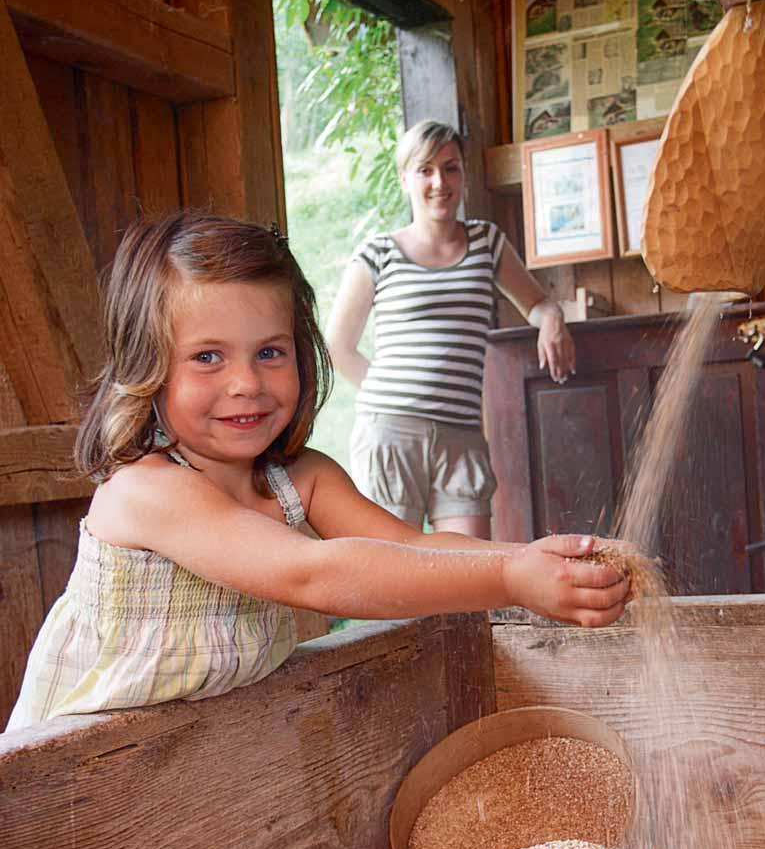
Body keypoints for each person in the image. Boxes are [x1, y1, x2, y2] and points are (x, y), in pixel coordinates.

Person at [7, 212, 628, 731]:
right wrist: (511, 579)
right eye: (207, 358)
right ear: (150, 367)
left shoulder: (298, 479)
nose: (246, 383)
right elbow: (312, 574)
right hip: (69, 788)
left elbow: (414, 547)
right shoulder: (145, 490)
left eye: (269, 352)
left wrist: (537, 562)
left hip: (198, 760)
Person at [325, 119, 576, 538]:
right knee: (395, 579)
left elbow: (537, 303)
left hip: (461, 436)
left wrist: (552, 320)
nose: (439, 182)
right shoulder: (379, 252)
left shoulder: (486, 242)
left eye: (450, 167)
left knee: (468, 580)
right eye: (425, 169)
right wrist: (398, 391)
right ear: (405, 178)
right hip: (391, 433)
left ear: (463, 174)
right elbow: (336, 345)